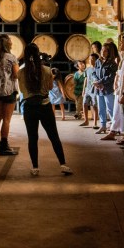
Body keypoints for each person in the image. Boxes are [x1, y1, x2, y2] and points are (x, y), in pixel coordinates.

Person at [17, 43, 73, 176]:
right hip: (44, 105)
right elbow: (48, 88)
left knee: (32, 138)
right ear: (38, 54)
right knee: (54, 136)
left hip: (29, 107)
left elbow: (22, 91)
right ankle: (63, 164)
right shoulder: (47, 70)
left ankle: (35, 167)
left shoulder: (20, 72)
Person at [0, 34, 19, 156]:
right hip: (9, 91)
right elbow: (16, 75)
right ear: (7, 44)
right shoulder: (11, 57)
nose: (11, 42)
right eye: (10, 41)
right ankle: (4, 146)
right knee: (7, 119)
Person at [94, 42, 118, 136]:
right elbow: (94, 73)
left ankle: (114, 128)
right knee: (101, 108)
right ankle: (103, 126)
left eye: (105, 51)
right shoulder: (98, 61)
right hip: (99, 89)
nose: (103, 52)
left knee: (110, 109)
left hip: (108, 89)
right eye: (102, 50)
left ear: (109, 52)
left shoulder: (112, 64)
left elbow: (111, 77)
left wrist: (100, 82)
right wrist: (96, 81)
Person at [79, 53, 99, 128]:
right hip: (87, 89)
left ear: (96, 60)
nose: (91, 60)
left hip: (95, 90)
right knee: (84, 104)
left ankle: (95, 123)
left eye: (93, 59)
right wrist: (83, 90)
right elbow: (86, 79)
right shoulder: (88, 69)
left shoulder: (98, 69)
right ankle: (86, 121)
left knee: (94, 105)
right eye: (90, 59)